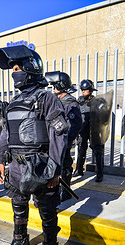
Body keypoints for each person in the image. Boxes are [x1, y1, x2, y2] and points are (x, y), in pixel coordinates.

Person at [0, 45, 67, 245]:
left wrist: (55, 169)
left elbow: (59, 134)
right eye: (12, 69)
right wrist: (0, 160)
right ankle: (20, 239)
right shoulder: (13, 101)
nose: (14, 72)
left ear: (29, 68)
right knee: (18, 204)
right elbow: (5, 134)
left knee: (47, 210)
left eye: (16, 68)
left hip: (41, 165)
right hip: (15, 165)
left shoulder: (46, 98)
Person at [45, 71, 82, 201]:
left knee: (65, 166)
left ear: (60, 86)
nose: (53, 89)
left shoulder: (70, 103)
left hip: (64, 140)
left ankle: (65, 192)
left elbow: (76, 125)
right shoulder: (56, 100)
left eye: (54, 86)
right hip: (54, 141)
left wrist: (67, 140)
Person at [73, 79, 105, 182]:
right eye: (82, 90)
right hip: (83, 129)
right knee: (81, 149)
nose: (83, 92)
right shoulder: (79, 101)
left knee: (97, 151)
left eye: (85, 90)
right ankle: (79, 169)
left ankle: (99, 173)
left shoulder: (97, 101)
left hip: (94, 130)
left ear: (90, 90)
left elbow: (103, 116)